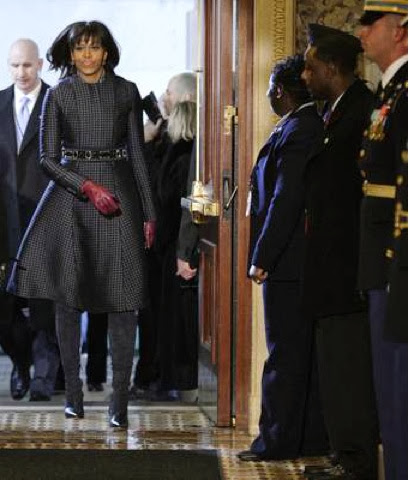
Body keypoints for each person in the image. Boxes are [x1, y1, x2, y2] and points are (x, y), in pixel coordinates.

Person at [7, 21, 156, 428]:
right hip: (71, 199)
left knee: (124, 299)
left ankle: (119, 401)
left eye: (94, 47)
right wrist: (86, 186)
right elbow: (46, 158)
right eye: (80, 48)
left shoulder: (126, 91)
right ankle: (73, 394)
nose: (87, 54)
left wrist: (149, 213)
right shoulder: (59, 95)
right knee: (68, 298)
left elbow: (138, 156)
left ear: (106, 52)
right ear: (70, 54)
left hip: (120, 196)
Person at [238, 55, 328, 462]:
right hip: (291, 260)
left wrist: (263, 255)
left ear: (280, 90)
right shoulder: (295, 125)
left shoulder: (300, 129)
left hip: (288, 261)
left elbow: (285, 198)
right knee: (294, 353)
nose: (268, 95)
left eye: (271, 88)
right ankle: (302, 439)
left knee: (285, 355)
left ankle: (276, 441)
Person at [301, 24, 379, 480]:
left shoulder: (362, 111)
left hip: (347, 266)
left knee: (348, 368)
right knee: (334, 365)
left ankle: (356, 459)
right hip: (330, 267)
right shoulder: (335, 112)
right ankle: (342, 450)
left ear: (332, 68)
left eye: (311, 68)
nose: (305, 76)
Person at [357, 2, 408, 479]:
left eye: (370, 24)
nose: (362, 32)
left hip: (396, 255)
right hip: (379, 254)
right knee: (386, 385)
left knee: (399, 384)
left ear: (400, 31)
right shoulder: (390, 89)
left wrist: (399, 260)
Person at [0, 38, 60, 402]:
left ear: (39, 64)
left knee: (44, 307)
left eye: (27, 65)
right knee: (5, 313)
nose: (21, 72)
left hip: (46, 219)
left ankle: (43, 377)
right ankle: (22, 365)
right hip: (4, 224)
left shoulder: (58, 102)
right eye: (14, 65)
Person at [130, 72, 196, 398]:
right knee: (156, 313)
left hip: (167, 242)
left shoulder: (181, 146)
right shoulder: (171, 140)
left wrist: (146, 146)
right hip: (162, 242)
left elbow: (159, 191)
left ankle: (159, 376)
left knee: (161, 315)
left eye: (168, 92)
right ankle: (154, 374)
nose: (164, 98)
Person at [155, 100, 198, 401]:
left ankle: (177, 378)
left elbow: (172, 203)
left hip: (175, 244)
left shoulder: (179, 158)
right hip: (174, 242)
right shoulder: (187, 155)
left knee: (175, 317)